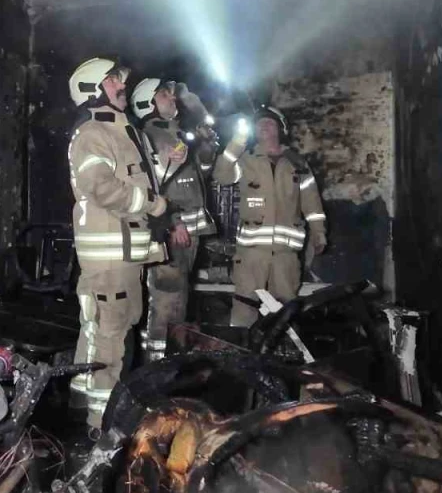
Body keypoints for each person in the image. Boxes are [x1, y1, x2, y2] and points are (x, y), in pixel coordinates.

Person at [65, 57, 182, 432]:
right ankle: (103, 424)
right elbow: (101, 188)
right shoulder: (92, 134)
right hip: (109, 255)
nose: (122, 86)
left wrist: (167, 165)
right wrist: (152, 204)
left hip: (126, 252)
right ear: (92, 90)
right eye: (113, 81)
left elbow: (139, 182)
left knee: (105, 329)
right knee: (112, 337)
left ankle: (82, 404)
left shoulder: (126, 131)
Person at [129, 77, 218, 361]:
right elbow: (153, 185)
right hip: (171, 231)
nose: (172, 98)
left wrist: (206, 145)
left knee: (179, 298)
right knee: (166, 298)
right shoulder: (150, 137)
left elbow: (200, 174)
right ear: (148, 103)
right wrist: (174, 221)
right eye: (164, 95)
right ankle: (156, 364)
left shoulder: (175, 133)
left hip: (188, 231)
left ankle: (172, 359)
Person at [216, 105, 327, 326]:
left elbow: (311, 202)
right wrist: (237, 142)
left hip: (286, 254)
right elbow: (221, 175)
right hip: (251, 253)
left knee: (285, 309)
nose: (263, 126)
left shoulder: (297, 163)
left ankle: (281, 348)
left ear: (280, 129)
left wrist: (319, 233)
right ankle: (241, 347)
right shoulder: (245, 159)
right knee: (245, 306)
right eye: (258, 123)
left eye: (269, 122)